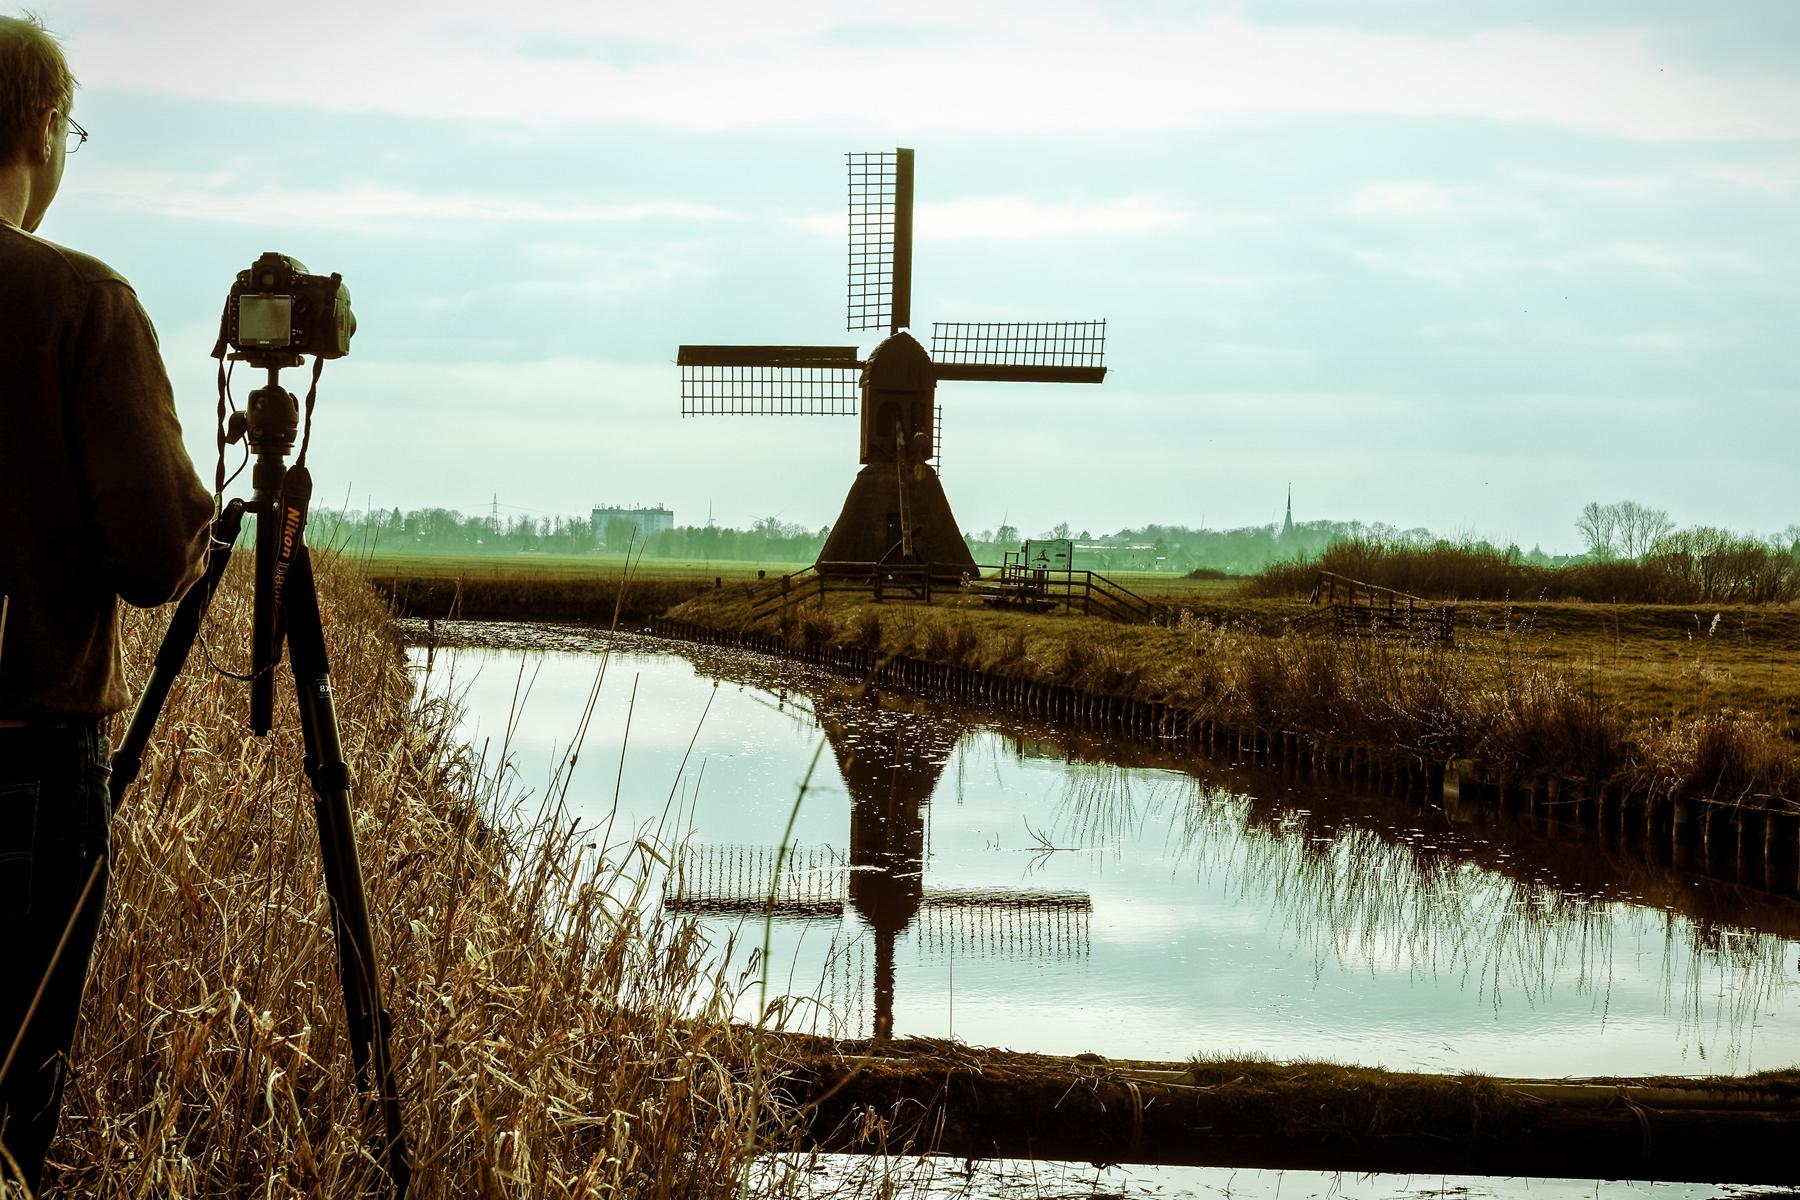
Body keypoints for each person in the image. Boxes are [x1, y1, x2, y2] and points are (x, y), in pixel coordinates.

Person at [0, 14, 212, 1192]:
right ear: (40, 127)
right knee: (5, 1104)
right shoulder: (81, 305)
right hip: (20, 775)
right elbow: (146, 553)